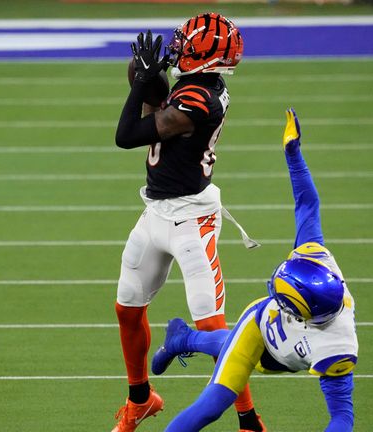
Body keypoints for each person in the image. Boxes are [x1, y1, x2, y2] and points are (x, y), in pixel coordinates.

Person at [151, 109, 359, 432]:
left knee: (236, 347)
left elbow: (342, 418)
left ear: (299, 314)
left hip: (290, 348)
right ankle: (183, 339)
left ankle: (183, 338)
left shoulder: (337, 346)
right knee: (212, 405)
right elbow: (308, 204)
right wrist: (293, 153)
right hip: (260, 327)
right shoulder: (316, 257)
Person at [112, 13, 265, 432]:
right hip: (156, 211)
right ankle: (140, 400)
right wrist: (142, 74)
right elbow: (153, 101)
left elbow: (128, 134)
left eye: (188, 44)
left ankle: (250, 421)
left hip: (191, 219)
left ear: (207, 58)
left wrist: (143, 82)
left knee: (213, 326)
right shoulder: (193, 87)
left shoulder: (202, 100)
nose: (179, 47)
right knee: (127, 308)